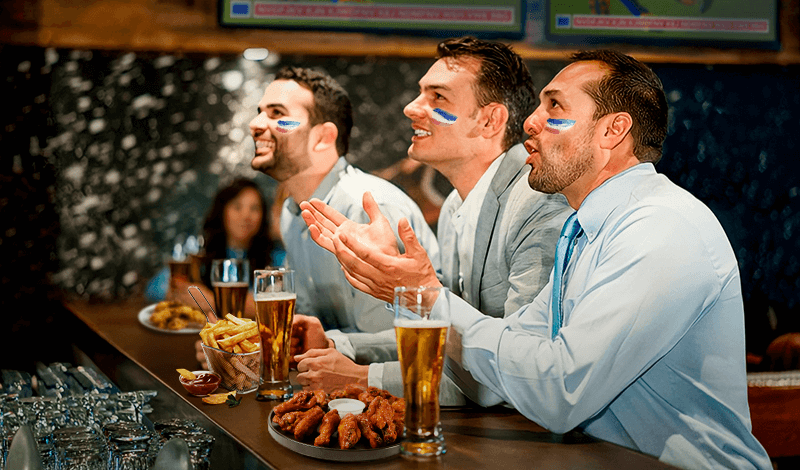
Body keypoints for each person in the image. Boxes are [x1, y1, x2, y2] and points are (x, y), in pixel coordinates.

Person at [301, 49, 773, 469]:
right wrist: (406, 289)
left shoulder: (658, 227)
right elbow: (508, 363)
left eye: (555, 107)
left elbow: (558, 392)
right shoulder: (585, 229)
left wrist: (423, 296)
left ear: (613, 131)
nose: (529, 121)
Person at [293, 37, 571, 404]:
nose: (411, 108)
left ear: (490, 120)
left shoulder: (542, 208)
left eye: (437, 97)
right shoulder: (455, 204)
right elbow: (445, 338)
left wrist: (364, 377)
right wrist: (338, 344)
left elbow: (510, 373)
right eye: (420, 93)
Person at [249, 65, 439, 334]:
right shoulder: (293, 215)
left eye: (277, 114)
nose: (255, 124)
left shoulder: (369, 208)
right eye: (259, 113)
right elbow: (308, 324)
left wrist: (324, 346)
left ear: (324, 137)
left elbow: (397, 337)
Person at [147, 177, 275, 315]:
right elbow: (153, 288)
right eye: (237, 207)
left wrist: (212, 302)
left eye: (254, 208)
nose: (246, 215)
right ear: (222, 212)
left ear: (263, 216)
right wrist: (177, 292)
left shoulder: (276, 258)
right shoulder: (201, 256)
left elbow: (273, 305)